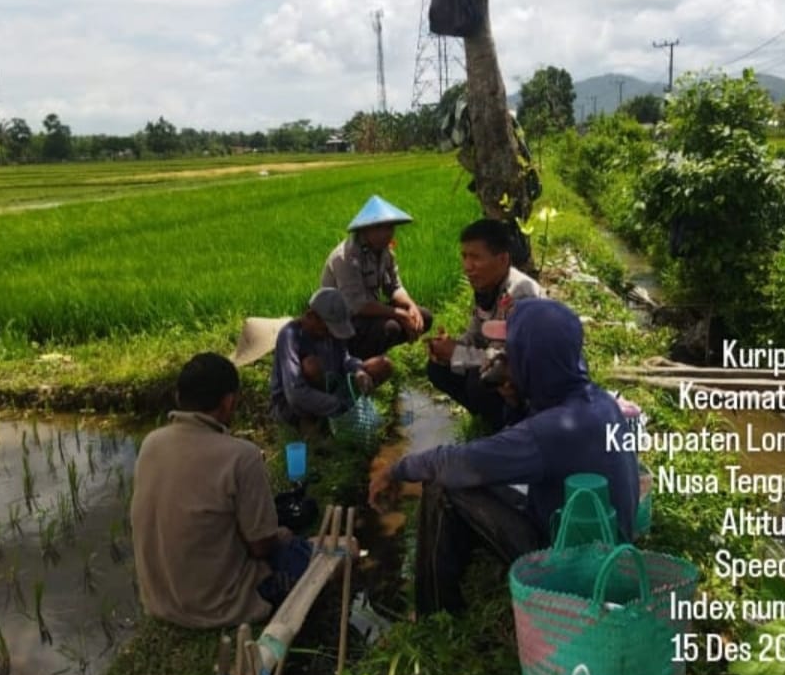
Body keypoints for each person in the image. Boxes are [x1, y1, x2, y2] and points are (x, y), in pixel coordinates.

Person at [368, 298, 639, 616]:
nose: (503, 358)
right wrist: (516, 404)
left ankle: (434, 613)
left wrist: (395, 470)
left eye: (511, 352)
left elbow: (459, 463)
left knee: (444, 486)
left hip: (571, 567)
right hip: (600, 548)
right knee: (472, 482)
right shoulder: (597, 401)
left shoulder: (552, 431)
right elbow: (530, 449)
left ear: (530, 360)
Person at [131, 352, 312, 628]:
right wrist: (282, 536)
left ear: (180, 396)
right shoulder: (243, 456)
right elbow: (261, 545)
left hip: (160, 602)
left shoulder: (151, 443)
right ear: (228, 402)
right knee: (306, 556)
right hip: (218, 606)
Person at [425, 218, 545, 431]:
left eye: (476, 258)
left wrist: (456, 353)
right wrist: (449, 347)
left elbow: (507, 362)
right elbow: (476, 333)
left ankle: (512, 425)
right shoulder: (486, 286)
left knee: (479, 380)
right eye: (464, 257)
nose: (467, 267)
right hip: (496, 360)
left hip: (525, 375)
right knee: (437, 368)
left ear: (502, 259)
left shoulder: (520, 293)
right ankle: (491, 418)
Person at [321, 194, 433, 359]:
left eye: (390, 228)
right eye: (380, 228)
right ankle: (358, 363)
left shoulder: (385, 252)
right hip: (342, 322)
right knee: (391, 327)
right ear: (365, 230)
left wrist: (411, 306)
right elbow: (357, 306)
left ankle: (376, 357)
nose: (387, 234)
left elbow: (394, 287)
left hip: (368, 315)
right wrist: (399, 314)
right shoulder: (345, 257)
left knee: (424, 317)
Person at [269, 288, 391, 434]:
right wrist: (338, 406)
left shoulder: (330, 333)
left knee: (383, 365)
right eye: (326, 329)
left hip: (332, 386)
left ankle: (332, 419)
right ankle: (315, 421)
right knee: (311, 366)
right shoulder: (290, 335)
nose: (329, 334)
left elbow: (345, 358)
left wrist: (358, 371)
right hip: (294, 406)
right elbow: (295, 394)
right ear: (311, 316)